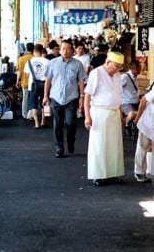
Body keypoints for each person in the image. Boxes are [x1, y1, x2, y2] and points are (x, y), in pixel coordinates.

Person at [83, 51, 125, 186]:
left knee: (114, 145)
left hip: (114, 112)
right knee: (99, 145)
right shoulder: (96, 73)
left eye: (120, 67)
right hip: (99, 112)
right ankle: (98, 175)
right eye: (116, 66)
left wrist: (121, 113)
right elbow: (87, 96)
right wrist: (87, 116)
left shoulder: (118, 76)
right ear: (108, 63)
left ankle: (112, 173)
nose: (118, 69)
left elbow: (118, 96)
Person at [43, 40, 87, 158]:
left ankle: (70, 141)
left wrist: (82, 97)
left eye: (68, 49)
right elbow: (48, 80)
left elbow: (81, 81)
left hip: (71, 98)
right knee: (57, 124)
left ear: (72, 50)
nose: (65, 51)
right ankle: (59, 148)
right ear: (60, 49)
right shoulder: (53, 63)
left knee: (70, 123)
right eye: (63, 48)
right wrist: (45, 96)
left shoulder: (77, 64)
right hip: (56, 97)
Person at [26, 44, 49, 128]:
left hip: (33, 85)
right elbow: (49, 75)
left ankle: (36, 123)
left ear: (34, 51)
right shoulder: (47, 61)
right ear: (42, 51)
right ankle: (43, 121)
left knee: (33, 104)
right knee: (44, 103)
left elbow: (28, 75)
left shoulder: (29, 61)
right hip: (44, 84)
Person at [16, 42, 35, 119]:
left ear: (26, 49)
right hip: (34, 82)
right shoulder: (35, 58)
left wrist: (17, 81)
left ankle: (24, 114)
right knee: (33, 99)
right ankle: (32, 115)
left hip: (25, 82)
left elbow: (19, 72)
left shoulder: (21, 59)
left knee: (25, 98)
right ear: (33, 49)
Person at [121, 62, 140, 135]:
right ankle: (126, 124)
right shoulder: (124, 77)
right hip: (127, 102)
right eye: (139, 69)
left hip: (135, 101)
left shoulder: (135, 78)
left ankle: (137, 127)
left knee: (143, 112)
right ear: (134, 69)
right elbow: (118, 89)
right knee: (132, 114)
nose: (139, 71)